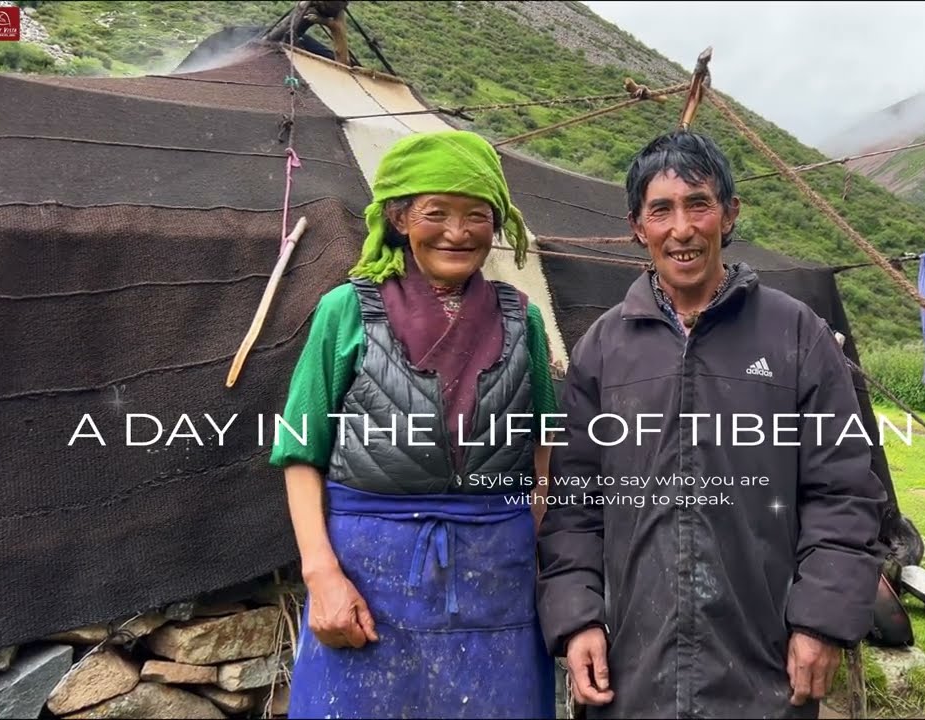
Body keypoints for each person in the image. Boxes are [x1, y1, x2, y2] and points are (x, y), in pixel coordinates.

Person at [536, 130, 888, 719]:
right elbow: (576, 504)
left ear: (729, 214)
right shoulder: (604, 348)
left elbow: (844, 490)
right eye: (661, 210)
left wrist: (821, 620)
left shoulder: (794, 334)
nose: (682, 228)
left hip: (766, 662)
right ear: (637, 226)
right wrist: (577, 619)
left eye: (698, 204)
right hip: (632, 667)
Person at [270, 130, 558, 719]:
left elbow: (543, 447)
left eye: (477, 215)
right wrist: (322, 574)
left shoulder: (521, 317)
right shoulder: (346, 309)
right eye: (437, 213)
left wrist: (529, 537)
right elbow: (300, 452)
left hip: (495, 574)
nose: (458, 232)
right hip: (368, 570)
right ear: (399, 218)